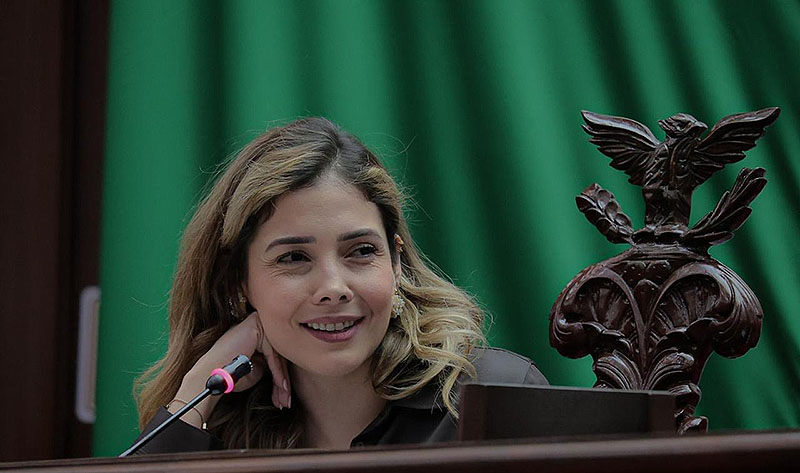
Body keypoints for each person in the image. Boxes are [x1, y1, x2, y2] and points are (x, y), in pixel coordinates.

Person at [133, 117, 547, 453]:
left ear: (396, 262)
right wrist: (198, 389)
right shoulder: (216, 427)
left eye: (361, 251)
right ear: (238, 283)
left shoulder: (499, 397)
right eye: (294, 258)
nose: (334, 287)